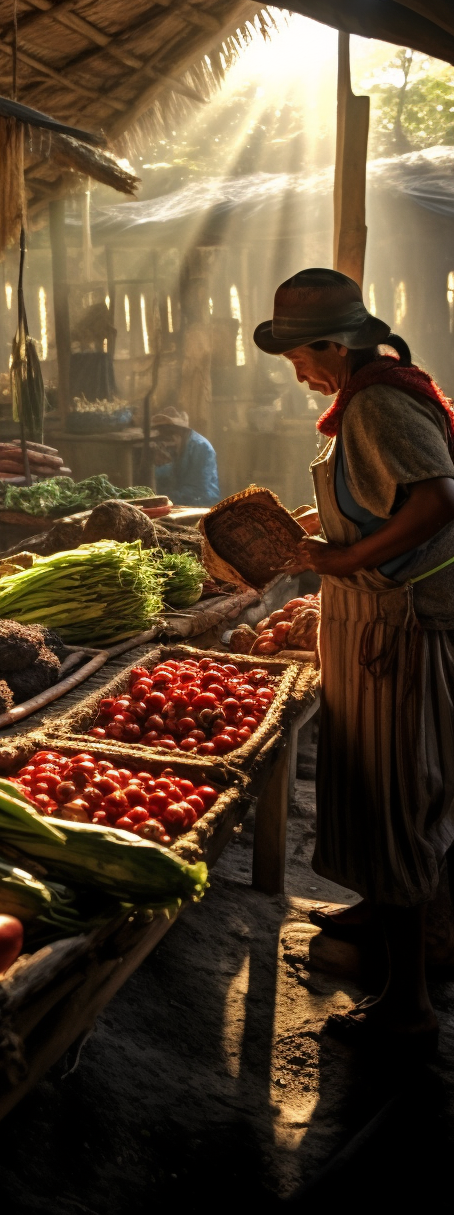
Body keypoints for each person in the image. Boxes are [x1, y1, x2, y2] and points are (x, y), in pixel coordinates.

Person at [254, 266, 454, 1054]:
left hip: (394, 628)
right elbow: (390, 499)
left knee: (401, 796)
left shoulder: (374, 403)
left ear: (333, 346)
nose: (298, 373)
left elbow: (439, 499)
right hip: (375, 623)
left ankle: (406, 1004)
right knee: (373, 783)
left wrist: (338, 562)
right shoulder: (378, 393)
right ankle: (380, 911)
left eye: (299, 357)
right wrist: (322, 523)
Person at [152, 406, 220, 507]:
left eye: (168, 433)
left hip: (203, 503)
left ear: (178, 432)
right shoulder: (179, 444)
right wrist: (153, 473)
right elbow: (172, 469)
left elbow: (197, 489)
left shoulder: (201, 447)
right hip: (184, 499)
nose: (165, 442)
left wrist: (164, 498)